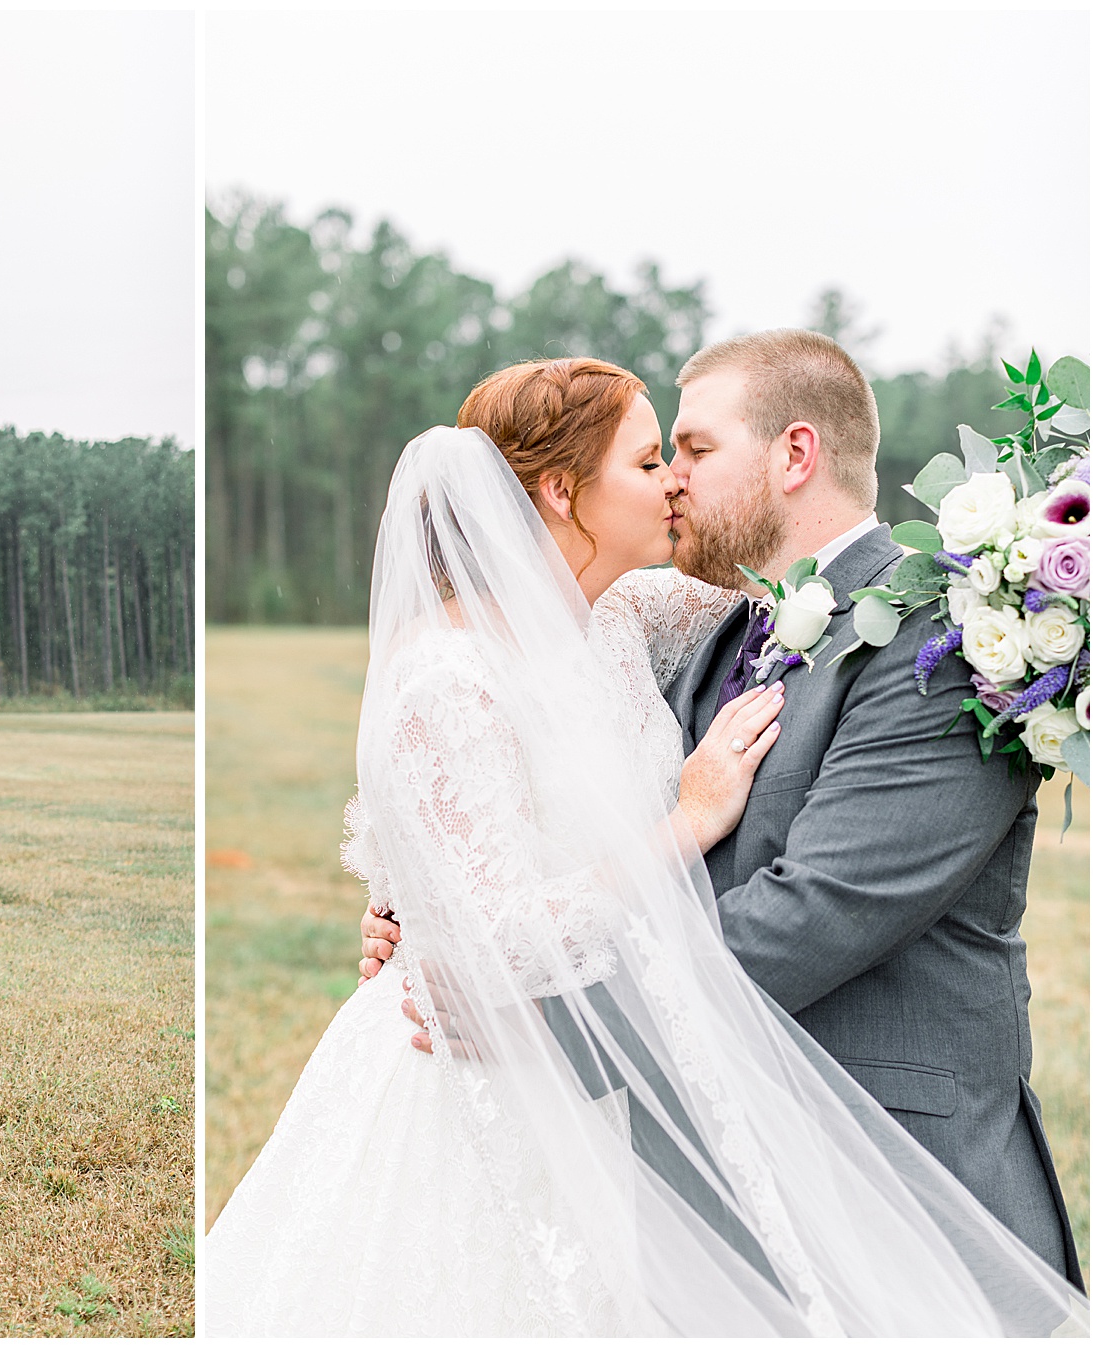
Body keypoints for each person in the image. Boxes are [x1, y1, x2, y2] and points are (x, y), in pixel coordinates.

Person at [205, 356, 1086, 1335]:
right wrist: (425, 913)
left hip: (807, 1132)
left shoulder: (652, 619)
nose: (671, 477)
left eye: (691, 450)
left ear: (795, 454)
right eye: (653, 456)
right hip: (495, 1089)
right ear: (558, 491)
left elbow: (823, 615)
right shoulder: (473, 666)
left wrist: (1025, 588)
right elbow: (486, 876)